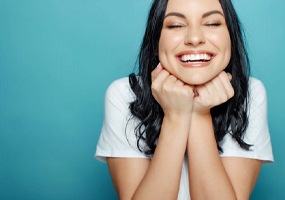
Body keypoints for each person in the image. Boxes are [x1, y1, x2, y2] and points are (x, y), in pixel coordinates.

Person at [95, 0, 274, 199]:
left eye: (212, 24)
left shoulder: (250, 94)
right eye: (175, 25)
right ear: (155, 43)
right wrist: (176, 116)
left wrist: (199, 114)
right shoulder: (125, 94)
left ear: (231, 37)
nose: (195, 38)